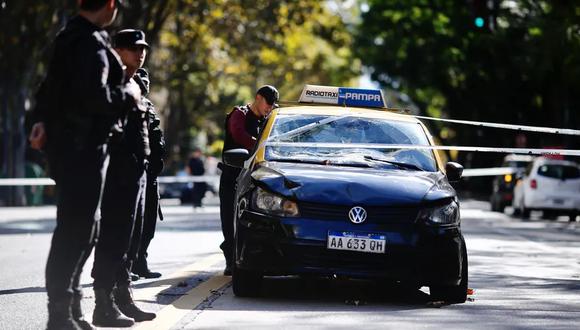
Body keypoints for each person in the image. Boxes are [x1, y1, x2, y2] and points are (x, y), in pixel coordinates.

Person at [28, 1, 141, 329]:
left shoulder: (71, 36)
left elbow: (48, 89)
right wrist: (129, 93)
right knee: (75, 231)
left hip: (76, 149)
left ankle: (71, 311)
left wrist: (39, 120)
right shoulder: (89, 42)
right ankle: (60, 316)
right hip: (83, 149)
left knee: (83, 230)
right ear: (109, 5)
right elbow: (96, 99)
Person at [90, 29, 157, 327]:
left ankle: (123, 296)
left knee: (131, 238)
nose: (139, 52)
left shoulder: (134, 83)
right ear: (116, 50)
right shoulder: (108, 81)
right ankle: (102, 303)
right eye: (132, 48)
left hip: (136, 172)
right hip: (116, 171)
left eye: (142, 47)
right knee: (112, 237)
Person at [218, 85, 279, 275]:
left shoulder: (267, 120)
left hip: (254, 178)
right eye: (268, 103)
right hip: (232, 176)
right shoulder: (240, 114)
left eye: (272, 105)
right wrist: (262, 146)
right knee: (229, 220)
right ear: (258, 98)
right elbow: (238, 135)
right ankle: (230, 258)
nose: (270, 108)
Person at [132, 67, 165, 279]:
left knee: (149, 221)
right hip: (132, 171)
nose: (145, 82)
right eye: (140, 78)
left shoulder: (149, 106)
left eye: (147, 79)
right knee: (131, 222)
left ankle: (140, 261)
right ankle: (124, 266)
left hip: (150, 173)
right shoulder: (126, 103)